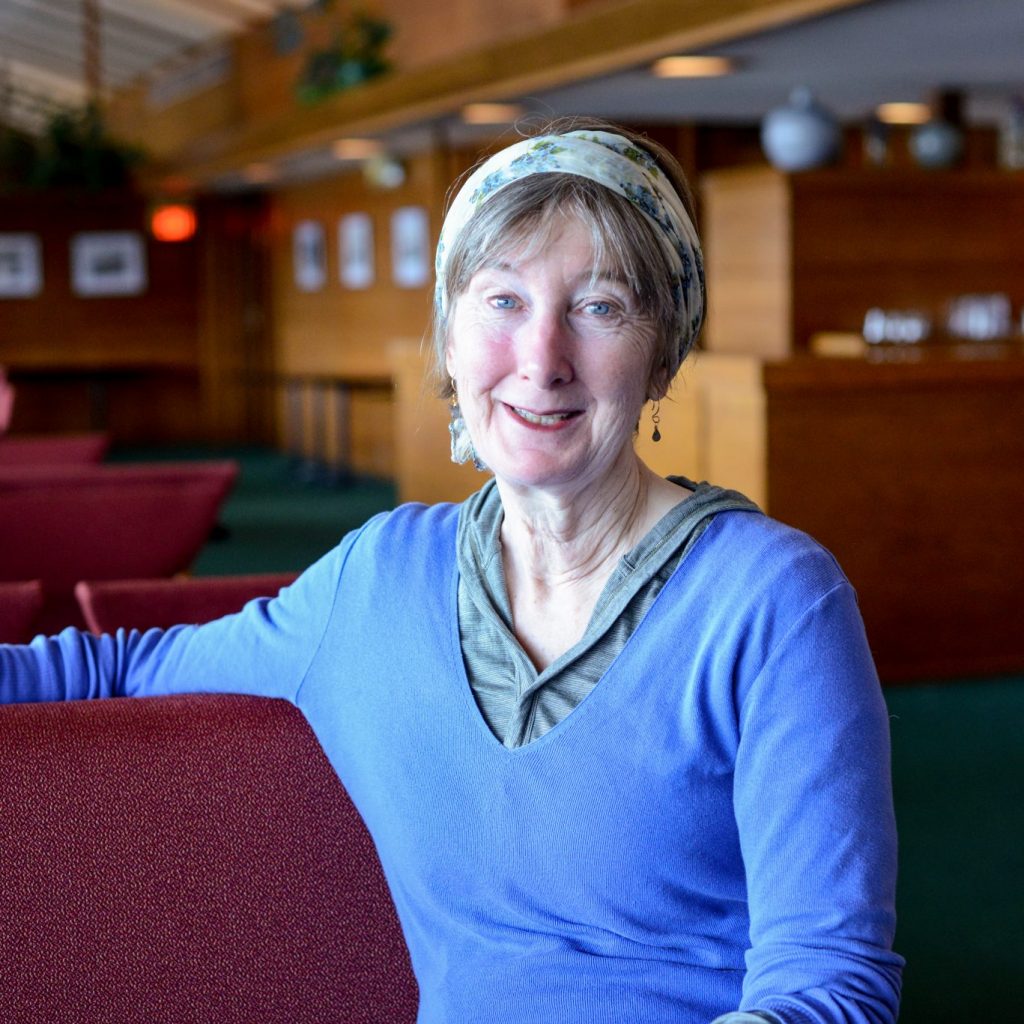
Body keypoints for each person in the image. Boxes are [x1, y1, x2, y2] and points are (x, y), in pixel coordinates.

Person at [0, 119, 903, 1024]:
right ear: (450, 335)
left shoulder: (773, 599)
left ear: (662, 354)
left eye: (599, 306)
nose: (541, 360)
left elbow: (831, 988)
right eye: (502, 301)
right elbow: (116, 668)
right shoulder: (381, 578)